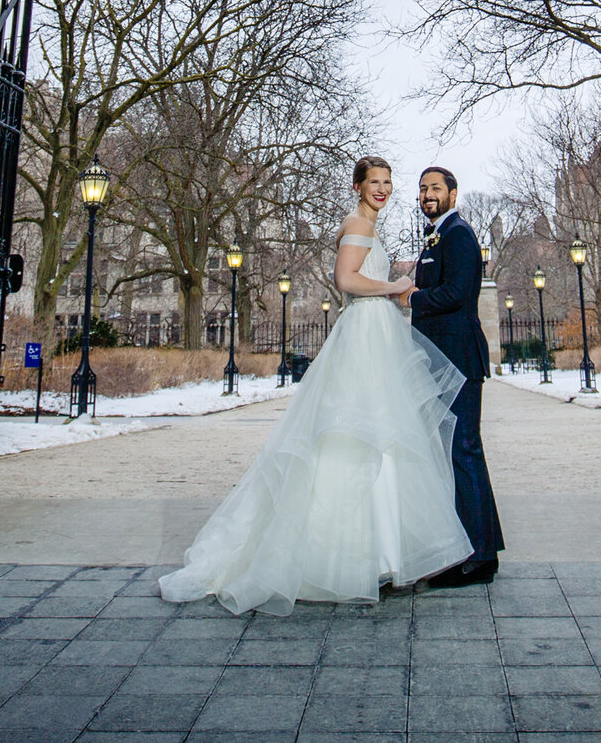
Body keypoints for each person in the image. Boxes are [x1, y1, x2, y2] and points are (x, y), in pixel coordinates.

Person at [156, 157, 471, 613]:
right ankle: (340, 557)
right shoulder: (357, 222)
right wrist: (392, 286)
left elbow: (361, 275)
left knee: (382, 438)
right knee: (354, 437)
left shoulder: (368, 225)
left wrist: (394, 282)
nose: (382, 190)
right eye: (374, 183)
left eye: (387, 183)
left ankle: (379, 554)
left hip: (375, 334)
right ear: (359, 186)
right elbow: (347, 279)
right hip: (364, 336)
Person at [407, 165, 504, 586]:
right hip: (441, 361)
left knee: (464, 450)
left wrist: (411, 296)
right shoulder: (436, 236)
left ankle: (479, 558)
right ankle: (476, 548)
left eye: (436, 188)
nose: (428, 194)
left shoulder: (460, 235)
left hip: (459, 360)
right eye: (423, 189)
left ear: (453, 193)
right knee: (458, 452)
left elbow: (457, 294)